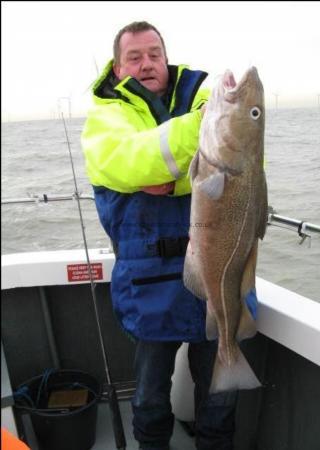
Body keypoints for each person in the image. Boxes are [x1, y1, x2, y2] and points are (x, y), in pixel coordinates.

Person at [82, 21, 258, 450]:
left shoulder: (203, 97)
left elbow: (243, 165)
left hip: (218, 274)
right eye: (134, 57)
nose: (146, 64)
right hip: (148, 281)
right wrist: (197, 145)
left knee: (220, 403)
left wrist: (179, 172)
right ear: (118, 66)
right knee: (149, 396)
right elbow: (127, 161)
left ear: (166, 56)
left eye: (154, 54)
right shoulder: (107, 115)